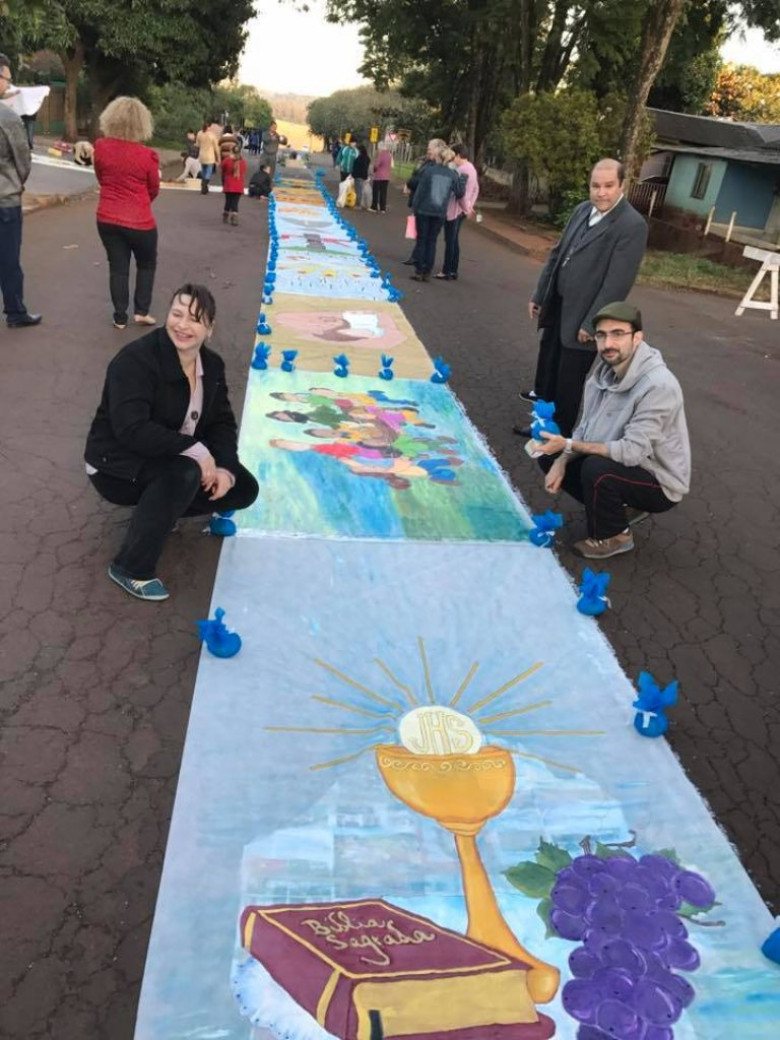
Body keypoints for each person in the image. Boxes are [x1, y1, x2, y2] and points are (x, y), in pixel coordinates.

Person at [85, 283, 260, 601]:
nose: (182, 325)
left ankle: (161, 510)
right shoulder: (135, 361)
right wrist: (195, 450)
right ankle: (130, 568)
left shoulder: (213, 366)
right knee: (184, 473)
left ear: (209, 328)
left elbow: (221, 423)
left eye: (195, 318)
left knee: (244, 489)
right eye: (177, 314)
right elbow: (130, 429)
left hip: (166, 456)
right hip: (115, 464)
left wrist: (225, 468)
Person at [536, 302, 690, 560]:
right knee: (548, 454)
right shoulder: (602, 375)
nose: (608, 343)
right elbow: (585, 429)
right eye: (601, 335)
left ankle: (616, 536)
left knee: (596, 469)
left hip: (660, 481)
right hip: (625, 464)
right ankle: (620, 509)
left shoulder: (659, 386)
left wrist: (569, 446)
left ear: (637, 337)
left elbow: (631, 452)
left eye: (618, 334)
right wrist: (562, 458)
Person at [516, 158, 648, 439]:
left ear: (622, 185)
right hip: (558, 307)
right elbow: (557, 253)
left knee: (568, 383)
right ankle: (541, 424)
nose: (601, 192)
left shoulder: (631, 225)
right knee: (547, 373)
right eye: (595, 186)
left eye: (609, 186)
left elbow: (617, 284)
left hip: (585, 319)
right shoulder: (581, 210)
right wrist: (540, 294)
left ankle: (558, 438)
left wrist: (592, 323)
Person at [94, 96, 160, 330]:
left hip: (107, 217)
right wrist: (142, 202)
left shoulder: (101, 147)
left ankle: (119, 317)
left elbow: (101, 177)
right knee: (146, 264)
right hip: (140, 221)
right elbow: (154, 188)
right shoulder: (147, 155)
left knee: (118, 267)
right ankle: (141, 311)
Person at [0, 52, 41, 328]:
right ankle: (15, 312)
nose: (9, 85)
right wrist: (17, 183)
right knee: (8, 259)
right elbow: (23, 158)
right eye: (7, 78)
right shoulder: (7, 117)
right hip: (5, 199)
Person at [407, 144, 465, 283]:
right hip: (439, 212)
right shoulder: (452, 175)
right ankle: (427, 270)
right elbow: (459, 193)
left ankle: (419, 269)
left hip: (424, 209)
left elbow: (421, 191)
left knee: (422, 239)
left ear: (439, 158)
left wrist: (415, 207)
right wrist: (463, 179)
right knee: (432, 241)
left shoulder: (429, 171)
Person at [437, 142, 479, 281]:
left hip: (456, 209)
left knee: (450, 240)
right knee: (454, 240)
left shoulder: (461, 170)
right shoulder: (471, 168)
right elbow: (475, 189)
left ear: (459, 155)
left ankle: (447, 270)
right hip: (463, 209)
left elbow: (459, 192)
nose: (452, 159)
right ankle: (453, 270)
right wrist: (470, 205)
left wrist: (466, 207)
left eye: (454, 156)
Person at [221, 141, 247, 225]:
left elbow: (222, 168)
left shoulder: (227, 160)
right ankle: (234, 217)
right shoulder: (243, 162)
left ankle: (225, 215)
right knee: (235, 202)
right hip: (238, 185)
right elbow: (243, 171)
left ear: (231, 151)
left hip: (229, 183)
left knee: (228, 201)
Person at [196, 120, 221, 195]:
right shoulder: (212, 135)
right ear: (209, 127)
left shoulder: (199, 133)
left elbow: (197, 145)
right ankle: (205, 184)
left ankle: (204, 185)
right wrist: (218, 158)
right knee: (209, 172)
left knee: (203, 171)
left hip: (202, 155)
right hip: (210, 156)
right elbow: (216, 147)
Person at [370, 142, 392, 213]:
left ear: (381, 147)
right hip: (386, 177)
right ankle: (383, 208)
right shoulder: (389, 155)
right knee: (383, 193)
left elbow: (376, 165)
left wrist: (374, 170)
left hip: (379, 177)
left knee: (375, 192)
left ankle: (374, 207)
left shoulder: (381, 154)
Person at [352, 144, 370, 209]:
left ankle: (358, 205)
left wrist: (353, 175)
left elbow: (356, 167)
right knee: (361, 190)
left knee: (358, 191)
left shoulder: (359, 158)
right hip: (363, 176)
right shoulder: (367, 158)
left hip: (358, 176)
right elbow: (366, 168)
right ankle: (363, 203)